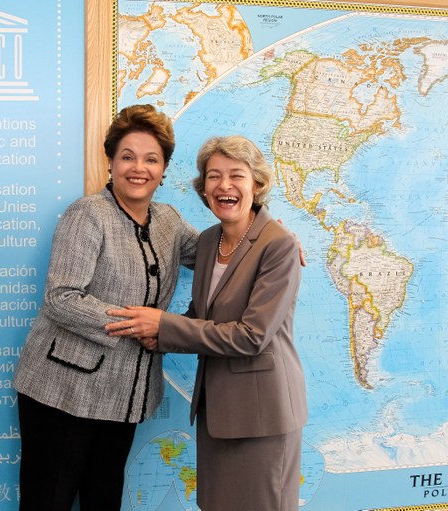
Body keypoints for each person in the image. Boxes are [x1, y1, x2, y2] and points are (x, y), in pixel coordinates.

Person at [105, 135, 307, 511]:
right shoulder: (209, 241)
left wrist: (163, 326)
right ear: (203, 188)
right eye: (214, 176)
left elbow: (252, 337)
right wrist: (157, 337)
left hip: (263, 414)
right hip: (218, 410)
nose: (224, 186)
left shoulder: (278, 246)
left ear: (257, 184)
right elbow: (201, 319)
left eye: (236, 176)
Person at [12, 104, 198, 510]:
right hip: (62, 391)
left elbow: (220, 256)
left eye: (151, 159)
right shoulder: (88, 214)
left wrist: (268, 240)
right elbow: (62, 298)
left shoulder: (169, 221)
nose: (138, 168)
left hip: (124, 397)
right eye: (127, 156)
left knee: (103, 501)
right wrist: (143, 325)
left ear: (164, 168)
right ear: (110, 161)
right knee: (48, 502)